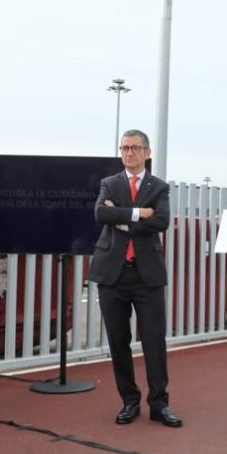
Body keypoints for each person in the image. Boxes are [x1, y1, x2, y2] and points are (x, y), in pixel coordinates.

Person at [89, 130, 182, 428]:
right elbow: (101, 214)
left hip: (147, 276)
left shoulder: (159, 187)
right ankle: (129, 401)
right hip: (112, 275)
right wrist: (138, 213)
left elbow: (161, 221)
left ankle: (159, 404)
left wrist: (122, 219)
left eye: (134, 148)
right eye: (124, 148)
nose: (129, 153)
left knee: (154, 341)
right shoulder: (110, 183)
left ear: (147, 152)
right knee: (119, 342)